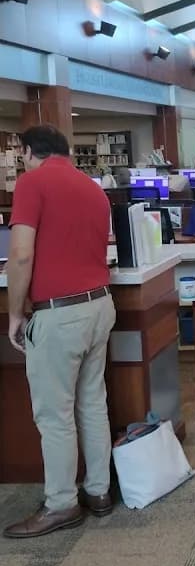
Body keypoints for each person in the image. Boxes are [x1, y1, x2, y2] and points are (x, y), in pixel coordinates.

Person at [4, 125, 116, 539]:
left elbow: (20, 255)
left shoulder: (32, 183)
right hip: (99, 305)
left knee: (54, 414)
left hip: (59, 312)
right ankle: (99, 491)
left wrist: (15, 313)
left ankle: (61, 503)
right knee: (92, 403)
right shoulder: (93, 189)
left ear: (28, 152)